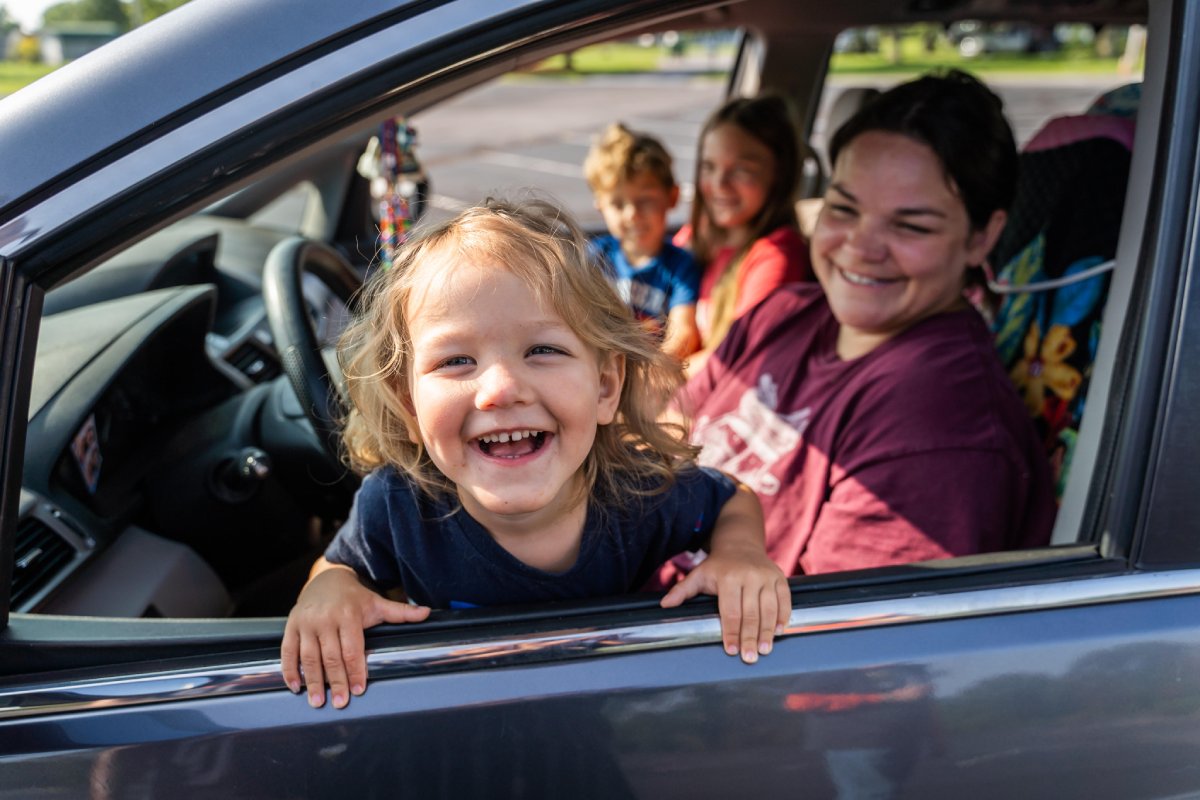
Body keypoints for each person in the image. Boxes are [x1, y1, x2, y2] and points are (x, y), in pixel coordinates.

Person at [281, 198, 791, 709]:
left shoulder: (638, 491)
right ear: (408, 404)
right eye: (457, 360)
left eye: (542, 351)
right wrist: (327, 593)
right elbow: (340, 566)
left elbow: (730, 499)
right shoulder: (398, 505)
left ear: (605, 386)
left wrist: (740, 553)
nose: (501, 390)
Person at [664, 70, 1056, 580]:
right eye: (844, 208)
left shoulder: (941, 431)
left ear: (983, 237)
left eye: (910, 225)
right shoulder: (784, 313)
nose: (859, 247)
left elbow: (840, 643)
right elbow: (667, 425)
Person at [675, 93, 812, 373]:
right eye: (709, 166)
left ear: (779, 175)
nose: (719, 184)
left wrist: (646, 380)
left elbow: (733, 361)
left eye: (741, 171)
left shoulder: (777, 255)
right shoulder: (697, 236)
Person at [584, 122, 701, 360]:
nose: (632, 214)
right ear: (600, 207)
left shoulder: (681, 267)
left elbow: (683, 333)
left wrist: (652, 370)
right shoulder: (593, 258)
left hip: (650, 371)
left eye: (645, 201)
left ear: (672, 197)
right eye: (618, 204)